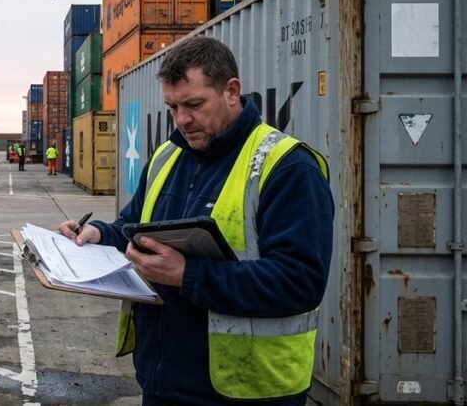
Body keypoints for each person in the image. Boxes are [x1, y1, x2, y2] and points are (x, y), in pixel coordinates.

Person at [57, 36, 333, 405]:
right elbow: (134, 228)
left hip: (250, 391)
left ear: (231, 91)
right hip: (163, 384)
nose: (182, 119)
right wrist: (99, 234)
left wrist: (188, 276)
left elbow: (300, 282)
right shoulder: (166, 157)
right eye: (172, 107)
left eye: (194, 104)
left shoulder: (286, 168)